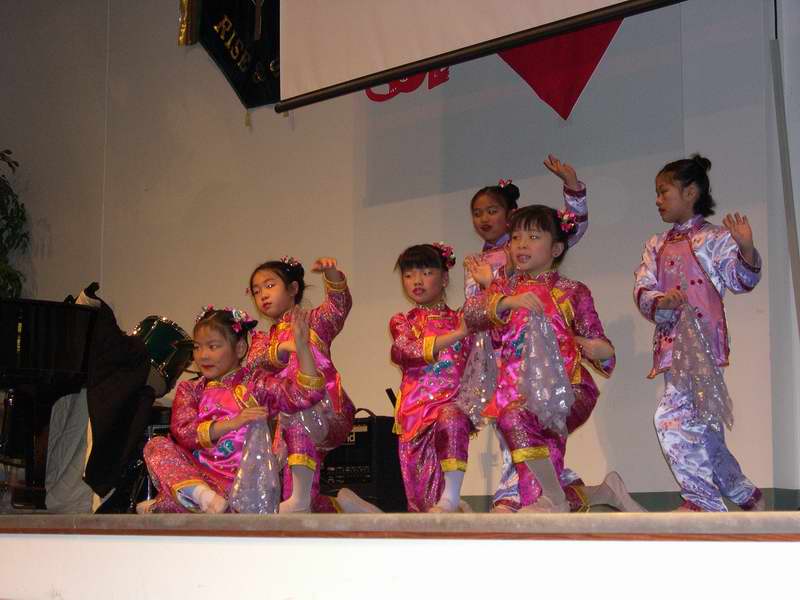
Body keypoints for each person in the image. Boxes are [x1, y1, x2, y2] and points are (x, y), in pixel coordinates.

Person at [465, 205, 618, 512]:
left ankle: (554, 499)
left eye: (533, 237)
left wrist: (596, 349)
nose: (521, 244)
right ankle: (595, 494)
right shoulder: (505, 290)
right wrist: (497, 292)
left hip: (568, 389)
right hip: (518, 393)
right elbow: (473, 316)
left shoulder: (572, 291)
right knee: (521, 433)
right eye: (516, 237)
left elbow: (601, 346)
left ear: (556, 248)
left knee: (520, 421)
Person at [633, 154, 765, 512]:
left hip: (703, 345)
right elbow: (643, 287)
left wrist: (746, 249)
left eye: (664, 192)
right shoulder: (656, 244)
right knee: (704, 427)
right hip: (671, 345)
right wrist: (661, 301)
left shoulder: (715, 239)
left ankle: (702, 500)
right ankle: (744, 493)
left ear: (690, 192)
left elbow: (741, 280)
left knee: (670, 418)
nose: (658, 200)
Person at [138, 306, 324, 514]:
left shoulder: (256, 384)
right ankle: (204, 499)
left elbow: (305, 395)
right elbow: (185, 433)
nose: (203, 355)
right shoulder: (191, 389)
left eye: (213, 346)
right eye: (197, 347)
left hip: (245, 486)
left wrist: (302, 348)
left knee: (163, 507)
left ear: (240, 348)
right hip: (204, 482)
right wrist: (233, 423)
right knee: (156, 445)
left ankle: (194, 504)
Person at [247, 256, 369, 513]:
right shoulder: (262, 340)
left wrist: (332, 273)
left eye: (269, 285)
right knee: (295, 497)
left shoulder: (314, 321)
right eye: (256, 291)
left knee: (297, 407)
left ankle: (301, 500)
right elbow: (253, 365)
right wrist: (283, 347)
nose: (263, 295)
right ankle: (344, 506)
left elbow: (338, 306)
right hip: (287, 425)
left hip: (325, 411)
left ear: (293, 288)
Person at [390, 243, 473, 512]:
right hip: (414, 414)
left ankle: (452, 497)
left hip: (452, 405)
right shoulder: (402, 321)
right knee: (422, 505)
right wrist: (457, 335)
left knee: (451, 418)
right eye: (409, 275)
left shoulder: (462, 318)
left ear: (444, 278)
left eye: (426, 273)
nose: (417, 281)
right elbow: (405, 351)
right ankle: (455, 513)